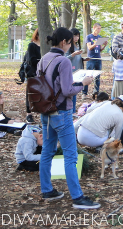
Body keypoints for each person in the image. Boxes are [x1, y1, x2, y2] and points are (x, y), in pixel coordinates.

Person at [36, 27, 99, 209]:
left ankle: (47, 190)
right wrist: (83, 83)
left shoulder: (43, 59)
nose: (71, 45)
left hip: (45, 111)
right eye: (70, 42)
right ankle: (78, 197)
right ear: (64, 42)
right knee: (70, 155)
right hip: (61, 113)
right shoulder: (63, 61)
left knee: (47, 151)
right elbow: (66, 90)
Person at [24, 29, 42, 123]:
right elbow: (32, 60)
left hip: (42, 73)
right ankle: (29, 114)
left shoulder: (45, 46)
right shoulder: (32, 45)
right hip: (33, 72)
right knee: (30, 93)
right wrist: (43, 60)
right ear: (37, 35)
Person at [84, 23, 106, 95]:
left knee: (97, 76)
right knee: (88, 75)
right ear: (94, 28)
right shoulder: (89, 37)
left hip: (98, 59)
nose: (99, 30)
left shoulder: (99, 37)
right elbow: (89, 48)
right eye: (98, 28)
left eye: (100, 28)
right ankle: (84, 93)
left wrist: (104, 45)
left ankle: (96, 92)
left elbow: (100, 49)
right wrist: (95, 44)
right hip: (91, 59)